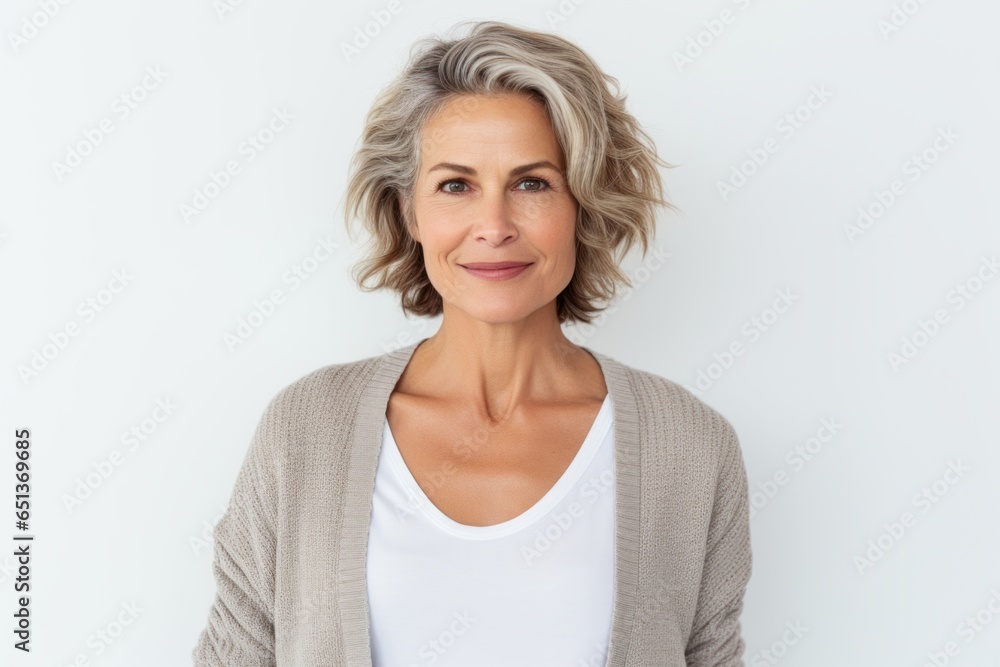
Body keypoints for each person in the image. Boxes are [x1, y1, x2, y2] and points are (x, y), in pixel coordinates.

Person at [192, 19, 752, 667]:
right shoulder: (306, 428)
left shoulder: (689, 445)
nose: (494, 225)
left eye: (532, 182)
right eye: (456, 185)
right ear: (410, 212)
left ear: (583, 204)